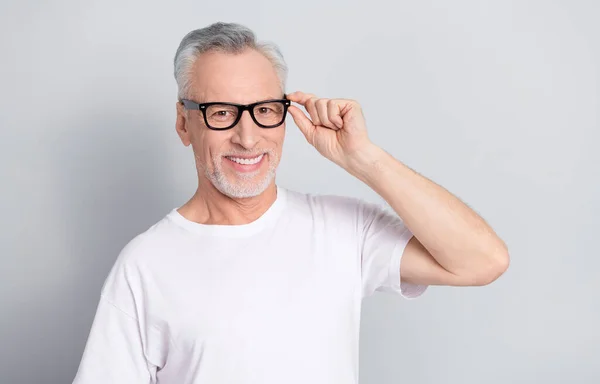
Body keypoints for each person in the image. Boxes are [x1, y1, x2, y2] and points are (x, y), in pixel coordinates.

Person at [72, 22, 509, 384]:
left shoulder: (342, 228)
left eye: (264, 109)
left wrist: (364, 160)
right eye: (221, 113)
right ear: (184, 123)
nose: (247, 137)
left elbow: (483, 260)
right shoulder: (145, 264)